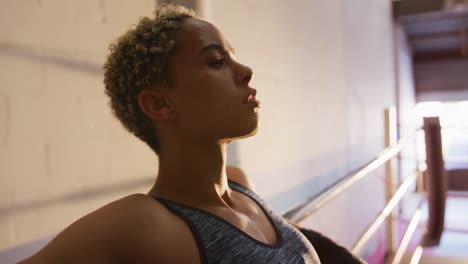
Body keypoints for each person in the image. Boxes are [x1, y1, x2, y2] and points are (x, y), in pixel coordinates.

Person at [19, 4, 364, 264]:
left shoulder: (239, 184)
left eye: (233, 57)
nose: (245, 72)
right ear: (159, 104)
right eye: (217, 61)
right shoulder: (145, 222)